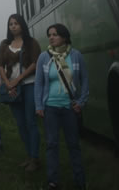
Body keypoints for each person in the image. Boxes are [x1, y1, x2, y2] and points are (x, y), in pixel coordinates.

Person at [35, 24, 89, 190]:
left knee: (73, 145)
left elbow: (85, 81)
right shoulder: (44, 57)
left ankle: (80, 181)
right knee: (51, 144)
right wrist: (39, 105)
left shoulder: (76, 56)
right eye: (49, 34)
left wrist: (81, 102)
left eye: (55, 34)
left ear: (64, 37)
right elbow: (39, 83)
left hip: (69, 108)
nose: (51, 37)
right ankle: (53, 181)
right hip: (50, 107)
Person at [0, 14, 43, 171]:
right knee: (21, 124)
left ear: (22, 25)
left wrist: (18, 80)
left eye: (16, 23)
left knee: (30, 122)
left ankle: (35, 158)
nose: (13, 26)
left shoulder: (31, 43)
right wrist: (8, 83)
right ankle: (29, 156)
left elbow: (35, 63)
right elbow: (0, 66)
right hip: (12, 87)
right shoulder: (4, 45)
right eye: (10, 24)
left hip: (29, 84)